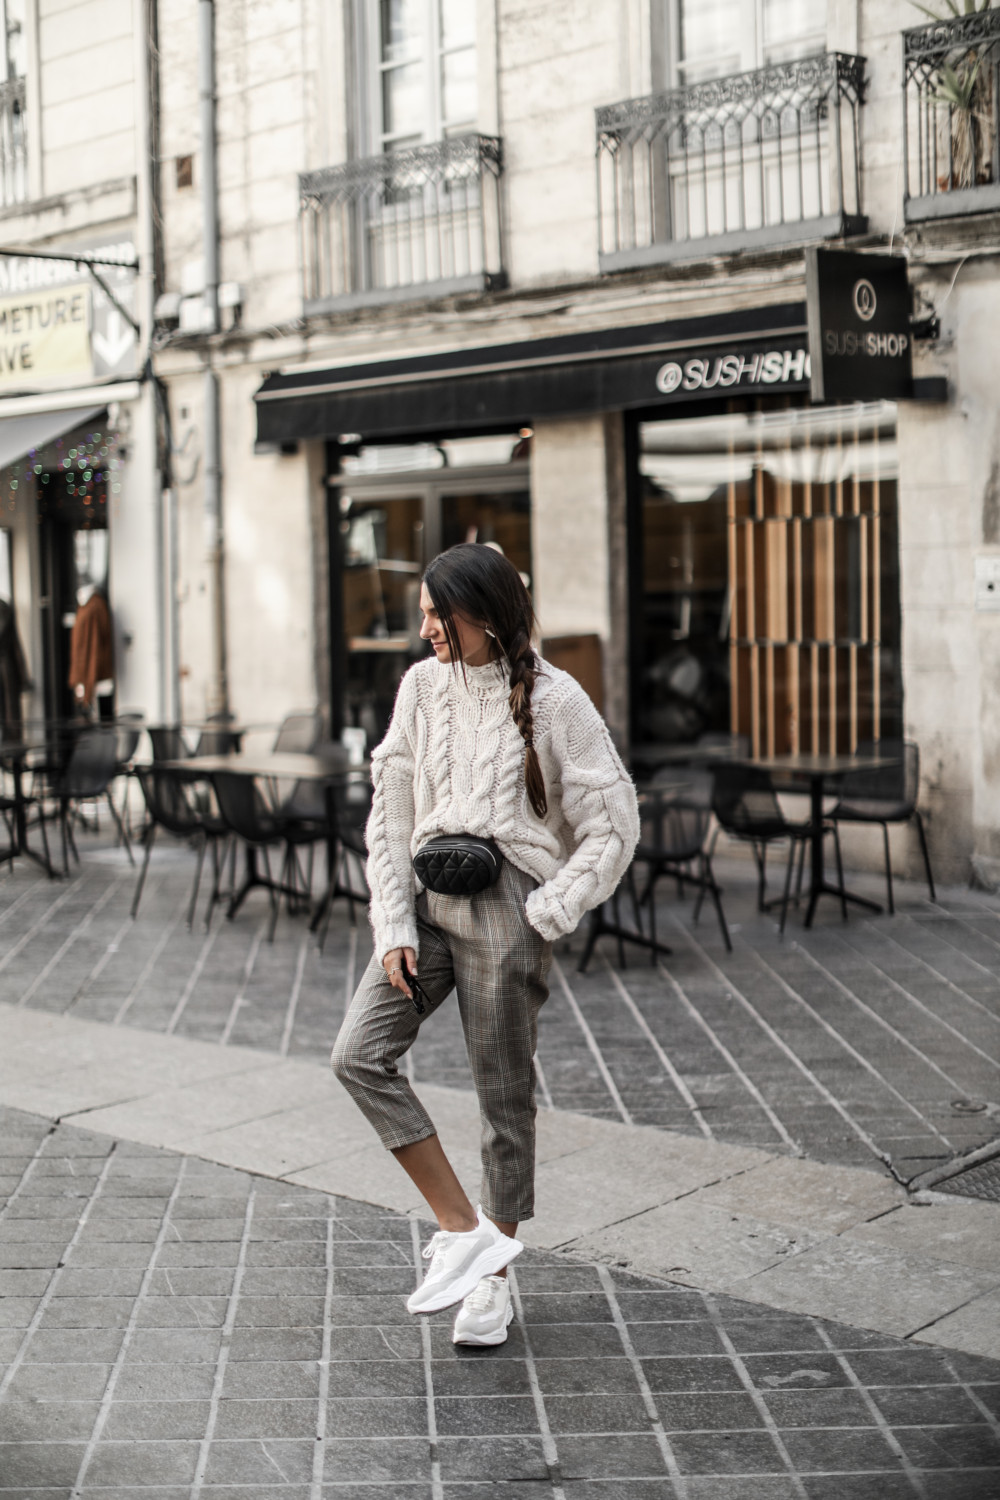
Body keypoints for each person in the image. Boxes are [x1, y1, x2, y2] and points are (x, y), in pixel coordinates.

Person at [331, 543, 639, 1347]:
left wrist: (553, 906)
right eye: (424, 613)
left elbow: (614, 820)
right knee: (359, 1055)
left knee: (503, 1100)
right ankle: (466, 1232)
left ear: (485, 613)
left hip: (509, 902)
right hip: (427, 900)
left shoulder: (558, 698)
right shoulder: (421, 689)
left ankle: (491, 1286)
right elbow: (390, 811)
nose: (425, 628)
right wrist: (393, 923)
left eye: (439, 613)